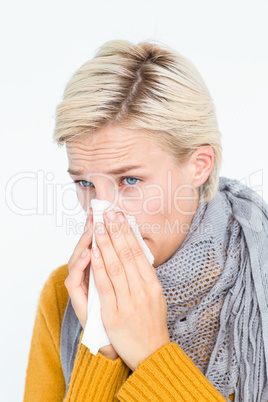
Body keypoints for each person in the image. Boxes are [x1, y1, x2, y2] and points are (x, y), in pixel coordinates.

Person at [24, 40, 268, 401]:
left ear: (199, 166)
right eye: (85, 183)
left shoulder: (258, 283)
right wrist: (101, 348)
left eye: (130, 180)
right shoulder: (67, 293)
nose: (103, 213)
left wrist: (153, 356)